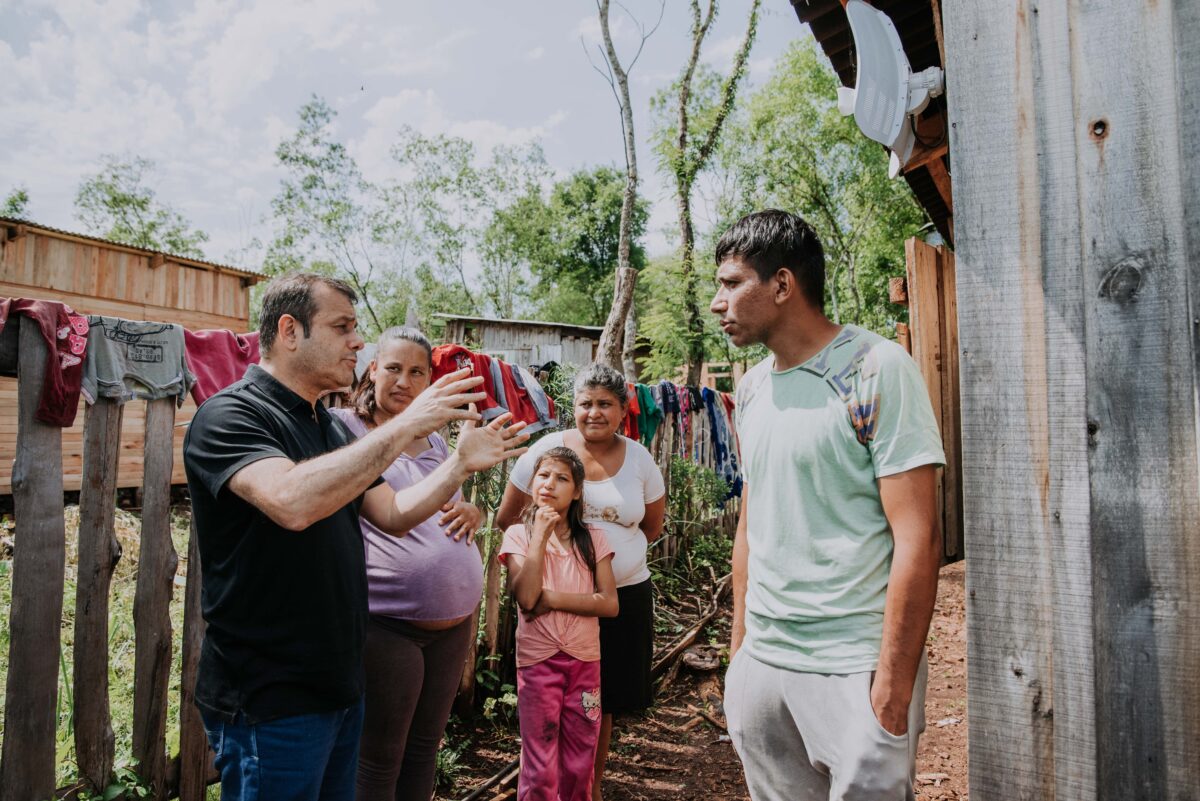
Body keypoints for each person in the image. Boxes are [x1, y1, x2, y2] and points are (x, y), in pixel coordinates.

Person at [183, 273, 528, 801]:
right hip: (271, 696)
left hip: (339, 683)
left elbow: (392, 512)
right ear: (289, 330)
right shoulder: (232, 414)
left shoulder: (329, 427)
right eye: (342, 326)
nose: (357, 340)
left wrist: (457, 464)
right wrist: (407, 424)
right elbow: (291, 502)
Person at [711, 210, 945, 801]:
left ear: (783, 285)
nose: (718, 303)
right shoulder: (752, 387)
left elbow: (919, 537)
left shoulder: (876, 369)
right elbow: (752, 522)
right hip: (764, 666)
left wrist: (890, 696)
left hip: (854, 667)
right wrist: (740, 657)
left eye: (732, 283)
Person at [327, 326, 485, 801]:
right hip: (389, 622)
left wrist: (472, 511)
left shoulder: (436, 442)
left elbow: (444, 510)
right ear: (372, 369)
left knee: (424, 749)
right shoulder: (348, 430)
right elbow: (386, 512)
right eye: (393, 367)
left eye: (417, 372)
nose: (404, 381)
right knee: (380, 756)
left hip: (453, 625)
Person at [496, 363, 666, 801]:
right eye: (585, 403)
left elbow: (651, 526)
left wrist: (607, 556)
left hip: (619, 596)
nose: (594, 412)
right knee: (549, 702)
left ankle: (589, 788)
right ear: (573, 407)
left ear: (623, 409)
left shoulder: (640, 458)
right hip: (547, 611)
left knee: (601, 701)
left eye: (605, 404)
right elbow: (508, 517)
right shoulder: (548, 450)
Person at [499, 447, 619, 801]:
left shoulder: (594, 539)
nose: (550, 484)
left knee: (581, 762)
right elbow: (525, 596)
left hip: (584, 662)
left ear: (578, 491)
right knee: (539, 767)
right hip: (538, 663)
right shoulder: (519, 536)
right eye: (543, 475)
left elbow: (609, 603)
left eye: (562, 478)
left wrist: (550, 599)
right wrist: (539, 535)